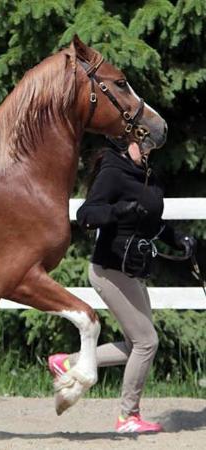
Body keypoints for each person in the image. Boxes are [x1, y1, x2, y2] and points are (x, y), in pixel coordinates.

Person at [48, 141, 196, 433]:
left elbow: (151, 222)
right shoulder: (113, 171)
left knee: (136, 346)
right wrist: (118, 211)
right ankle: (128, 416)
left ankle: (68, 363)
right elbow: (86, 215)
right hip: (109, 270)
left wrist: (176, 238)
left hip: (133, 270)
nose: (149, 149)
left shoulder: (147, 175)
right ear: (129, 141)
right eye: (144, 142)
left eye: (153, 144)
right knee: (147, 342)